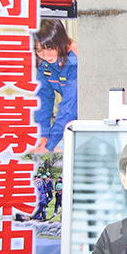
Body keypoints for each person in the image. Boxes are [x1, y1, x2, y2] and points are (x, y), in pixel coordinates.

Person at [32, 20, 77, 154]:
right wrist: (43, 134)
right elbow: (43, 98)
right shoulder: (43, 62)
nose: (46, 56)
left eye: (50, 49)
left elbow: (70, 106)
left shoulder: (75, 60)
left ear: (60, 41)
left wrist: (50, 143)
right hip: (71, 113)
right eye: (39, 50)